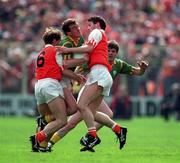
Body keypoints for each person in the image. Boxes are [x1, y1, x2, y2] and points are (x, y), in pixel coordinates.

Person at [50, 39, 148, 151]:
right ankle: (51, 143)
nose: (110, 53)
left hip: (97, 95)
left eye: (113, 51)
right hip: (89, 94)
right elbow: (79, 69)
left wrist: (143, 69)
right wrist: (75, 79)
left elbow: (138, 72)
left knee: (107, 114)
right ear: (104, 51)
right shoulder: (98, 61)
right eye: (108, 50)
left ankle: (90, 137)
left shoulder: (119, 64)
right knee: (71, 123)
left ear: (116, 53)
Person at [29, 27, 84, 152]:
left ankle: (41, 145)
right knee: (62, 120)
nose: (60, 44)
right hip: (50, 85)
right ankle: (37, 138)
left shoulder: (40, 53)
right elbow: (63, 69)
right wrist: (77, 76)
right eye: (59, 41)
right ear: (54, 41)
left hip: (39, 86)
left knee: (50, 119)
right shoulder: (56, 51)